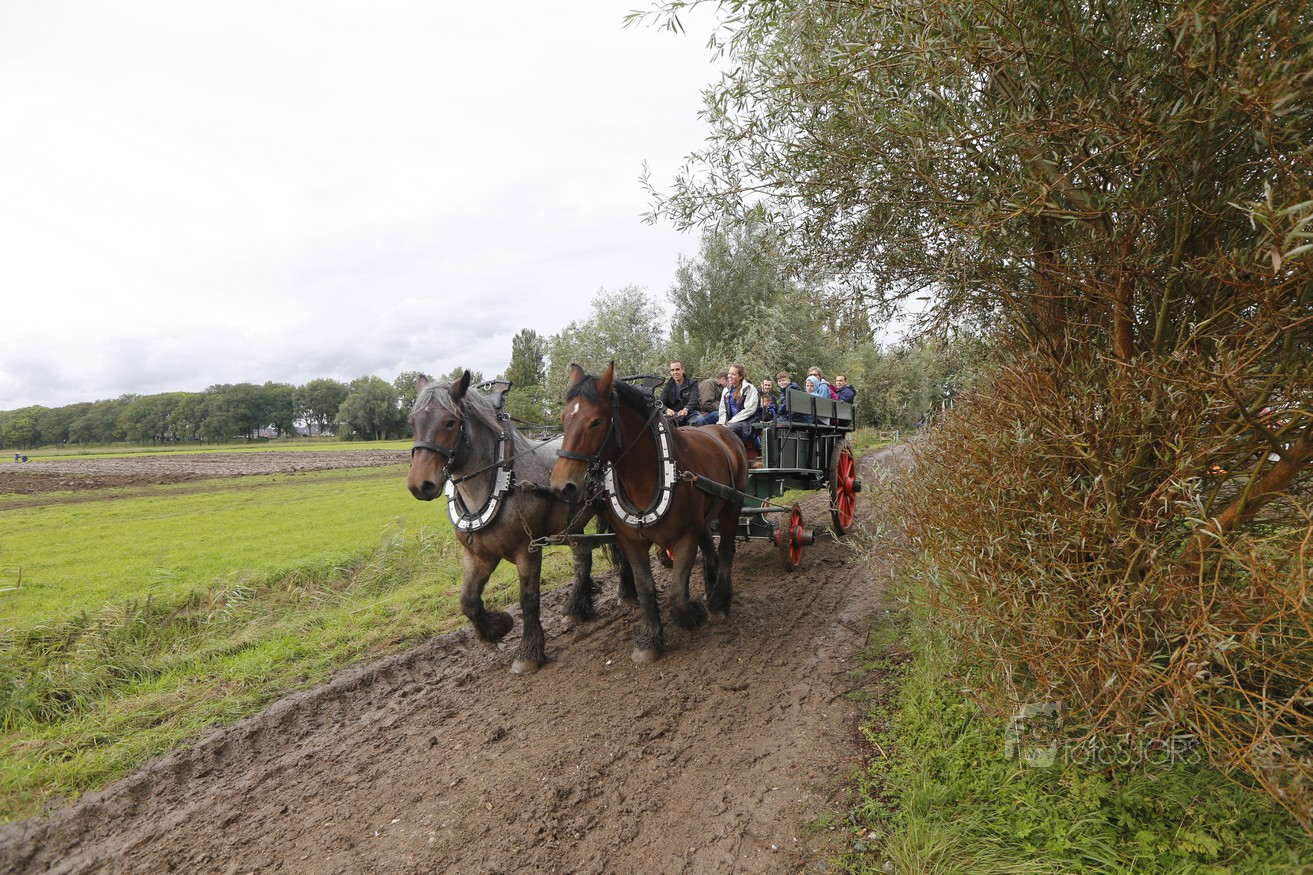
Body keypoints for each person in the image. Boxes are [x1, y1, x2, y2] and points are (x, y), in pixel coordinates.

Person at [718, 363, 761, 456]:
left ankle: (736, 454)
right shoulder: (726, 390)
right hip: (731, 421)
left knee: (728, 430)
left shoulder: (749, 389)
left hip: (747, 421)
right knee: (716, 429)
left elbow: (749, 410)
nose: (730, 376)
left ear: (740, 376)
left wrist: (731, 422)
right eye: (729, 373)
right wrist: (722, 423)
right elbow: (722, 409)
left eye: (733, 374)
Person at [660, 361, 699, 425]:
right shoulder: (668, 386)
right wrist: (666, 410)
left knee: (699, 421)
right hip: (674, 416)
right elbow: (661, 403)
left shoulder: (692, 383)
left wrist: (686, 409)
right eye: (672, 370)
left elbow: (694, 399)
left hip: (691, 413)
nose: (675, 372)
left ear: (683, 370)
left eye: (677, 369)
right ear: (670, 372)